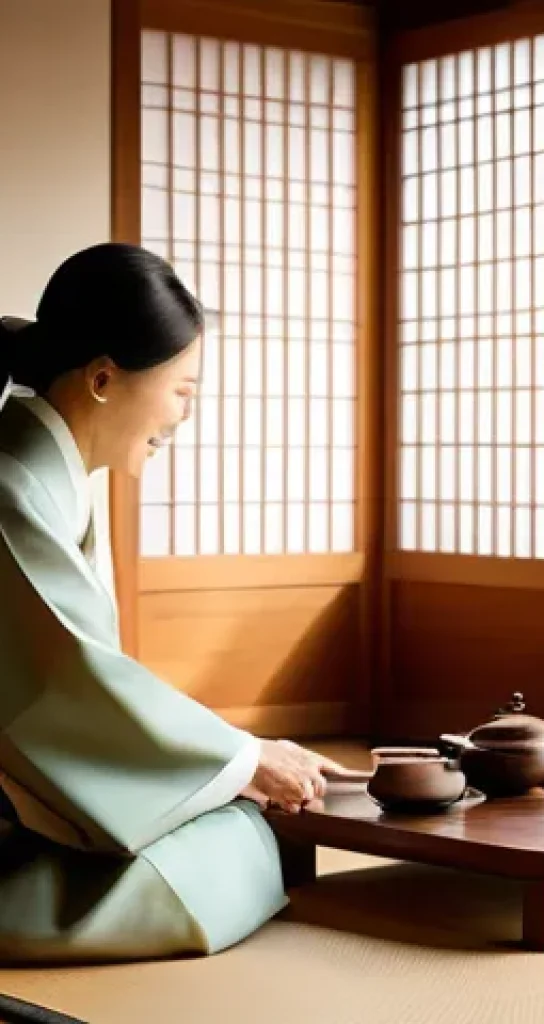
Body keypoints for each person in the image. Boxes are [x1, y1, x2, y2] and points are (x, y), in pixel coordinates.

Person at [0, 243, 351, 963]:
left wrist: (233, 764)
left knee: (243, 827)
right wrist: (244, 759)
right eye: (182, 392)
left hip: (35, 785)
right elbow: (69, 683)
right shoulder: (14, 485)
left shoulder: (38, 472)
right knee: (237, 847)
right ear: (103, 378)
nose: (182, 419)